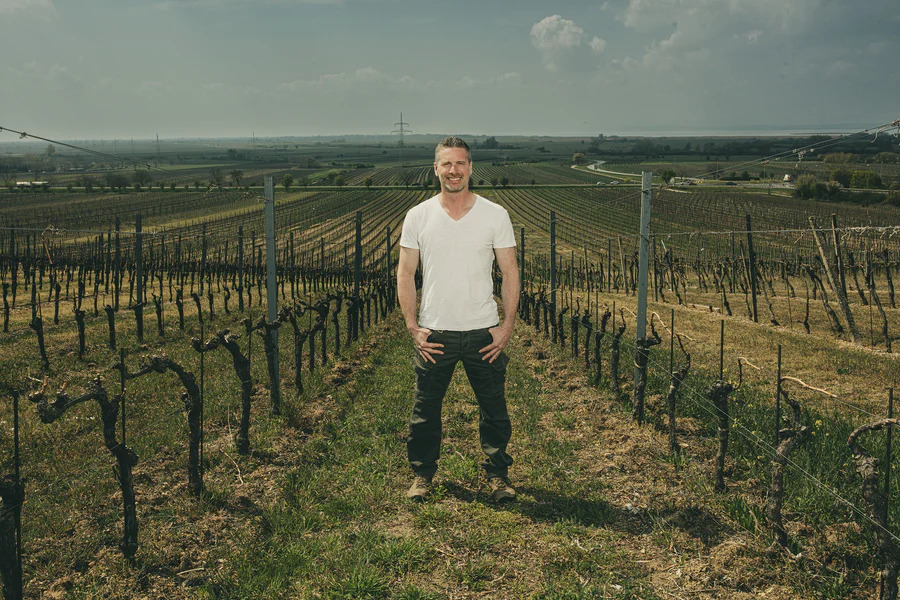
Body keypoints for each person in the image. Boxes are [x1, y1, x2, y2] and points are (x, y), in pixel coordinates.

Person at [397, 136, 520, 503]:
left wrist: (507, 324)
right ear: (436, 169)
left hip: (483, 331)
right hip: (436, 332)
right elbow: (405, 273)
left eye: (460, 163)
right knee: (425, 412)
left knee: (494, 410)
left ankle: (498, 475)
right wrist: (412, 325)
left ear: (470, 168)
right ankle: (422, 475)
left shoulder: (495, 215)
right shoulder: (418, 216)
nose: (454, 171)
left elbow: (510, 272)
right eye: (446, 164)